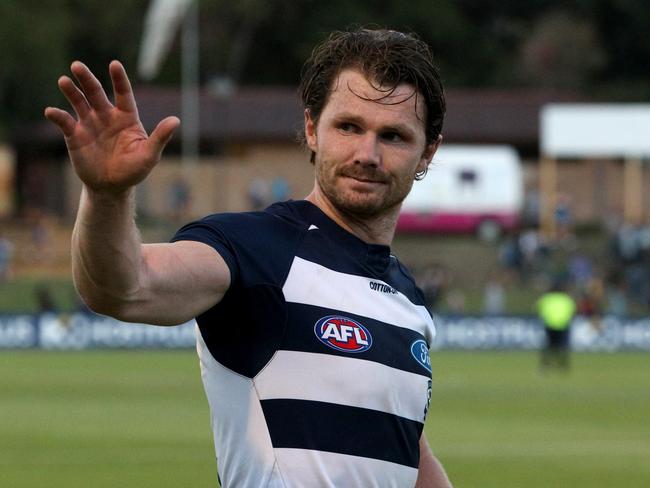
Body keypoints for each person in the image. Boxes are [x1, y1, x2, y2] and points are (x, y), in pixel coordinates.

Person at [44, 27, 452, 487]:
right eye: (349, 126)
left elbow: (402, 448)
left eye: (394, 136)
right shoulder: (256, 249)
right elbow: (125, 287)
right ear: (312, 129)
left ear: (426, 153)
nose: (368, 154)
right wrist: (106, 193)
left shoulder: (407, 298)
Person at [536, 282, 576, 372]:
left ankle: (545, 365)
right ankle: (563, 365)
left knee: (549, 346)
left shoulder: (546, 298)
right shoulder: (566, 299)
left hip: (549, 324)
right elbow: (572, 310)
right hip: (563, 324)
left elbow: (539, 309)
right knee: (562, 346)